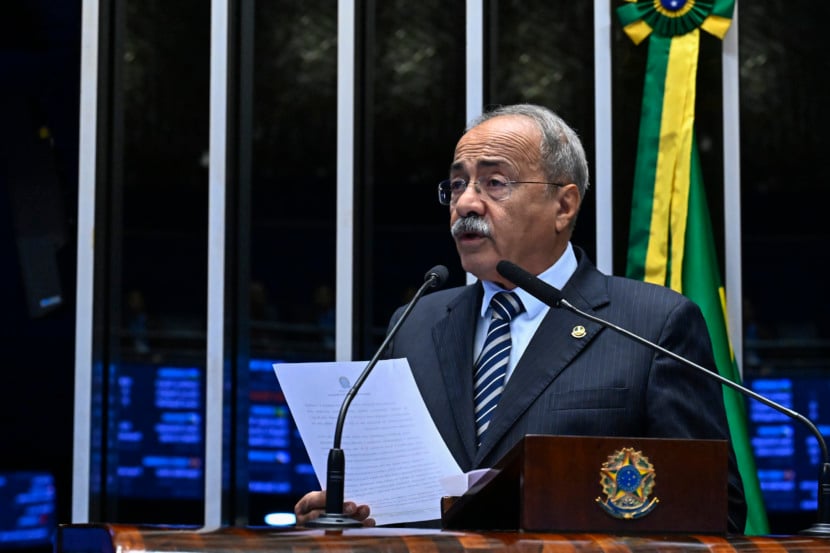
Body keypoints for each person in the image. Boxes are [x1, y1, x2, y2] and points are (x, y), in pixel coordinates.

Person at [294, 103, 747, 533]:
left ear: (564, 205)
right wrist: (345, 515)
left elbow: (712, 506)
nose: (466, 204)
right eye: (457, 184)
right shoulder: (415, 323)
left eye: (494, 183)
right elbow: (392, 495)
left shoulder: (651, 325)